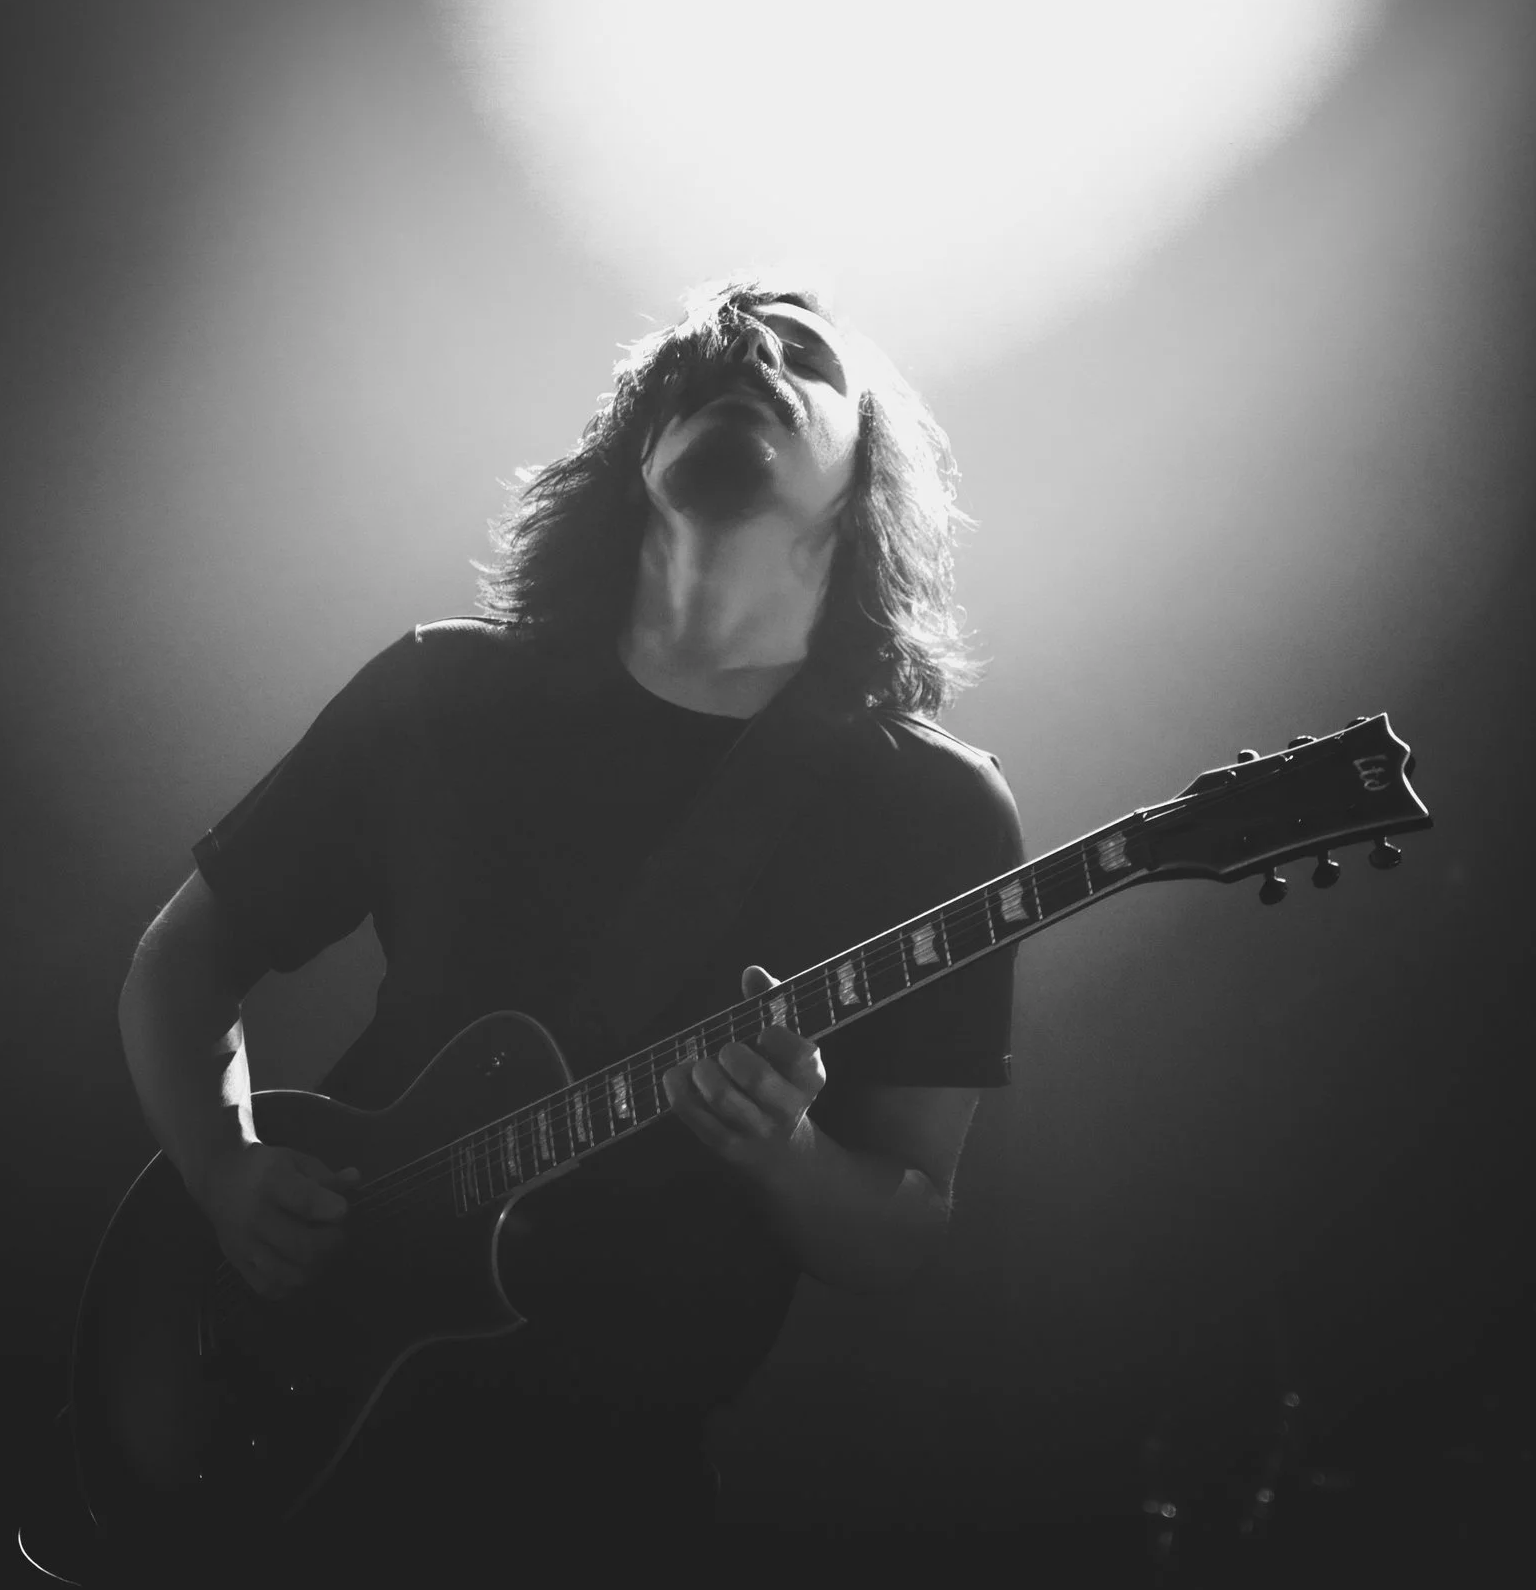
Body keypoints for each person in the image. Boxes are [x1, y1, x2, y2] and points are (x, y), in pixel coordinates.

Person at [114, 277, 1022, 1580]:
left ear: (868, 470)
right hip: (312, 1432)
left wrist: (789, 1153)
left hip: (613, 1495)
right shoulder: (442, 694)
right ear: (631, 452)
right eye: (696, 357)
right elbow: (181, 960)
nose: (745, 351)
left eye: (801, 355)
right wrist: (224, 1167)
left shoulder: (933, 812)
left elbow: (905, 1222)